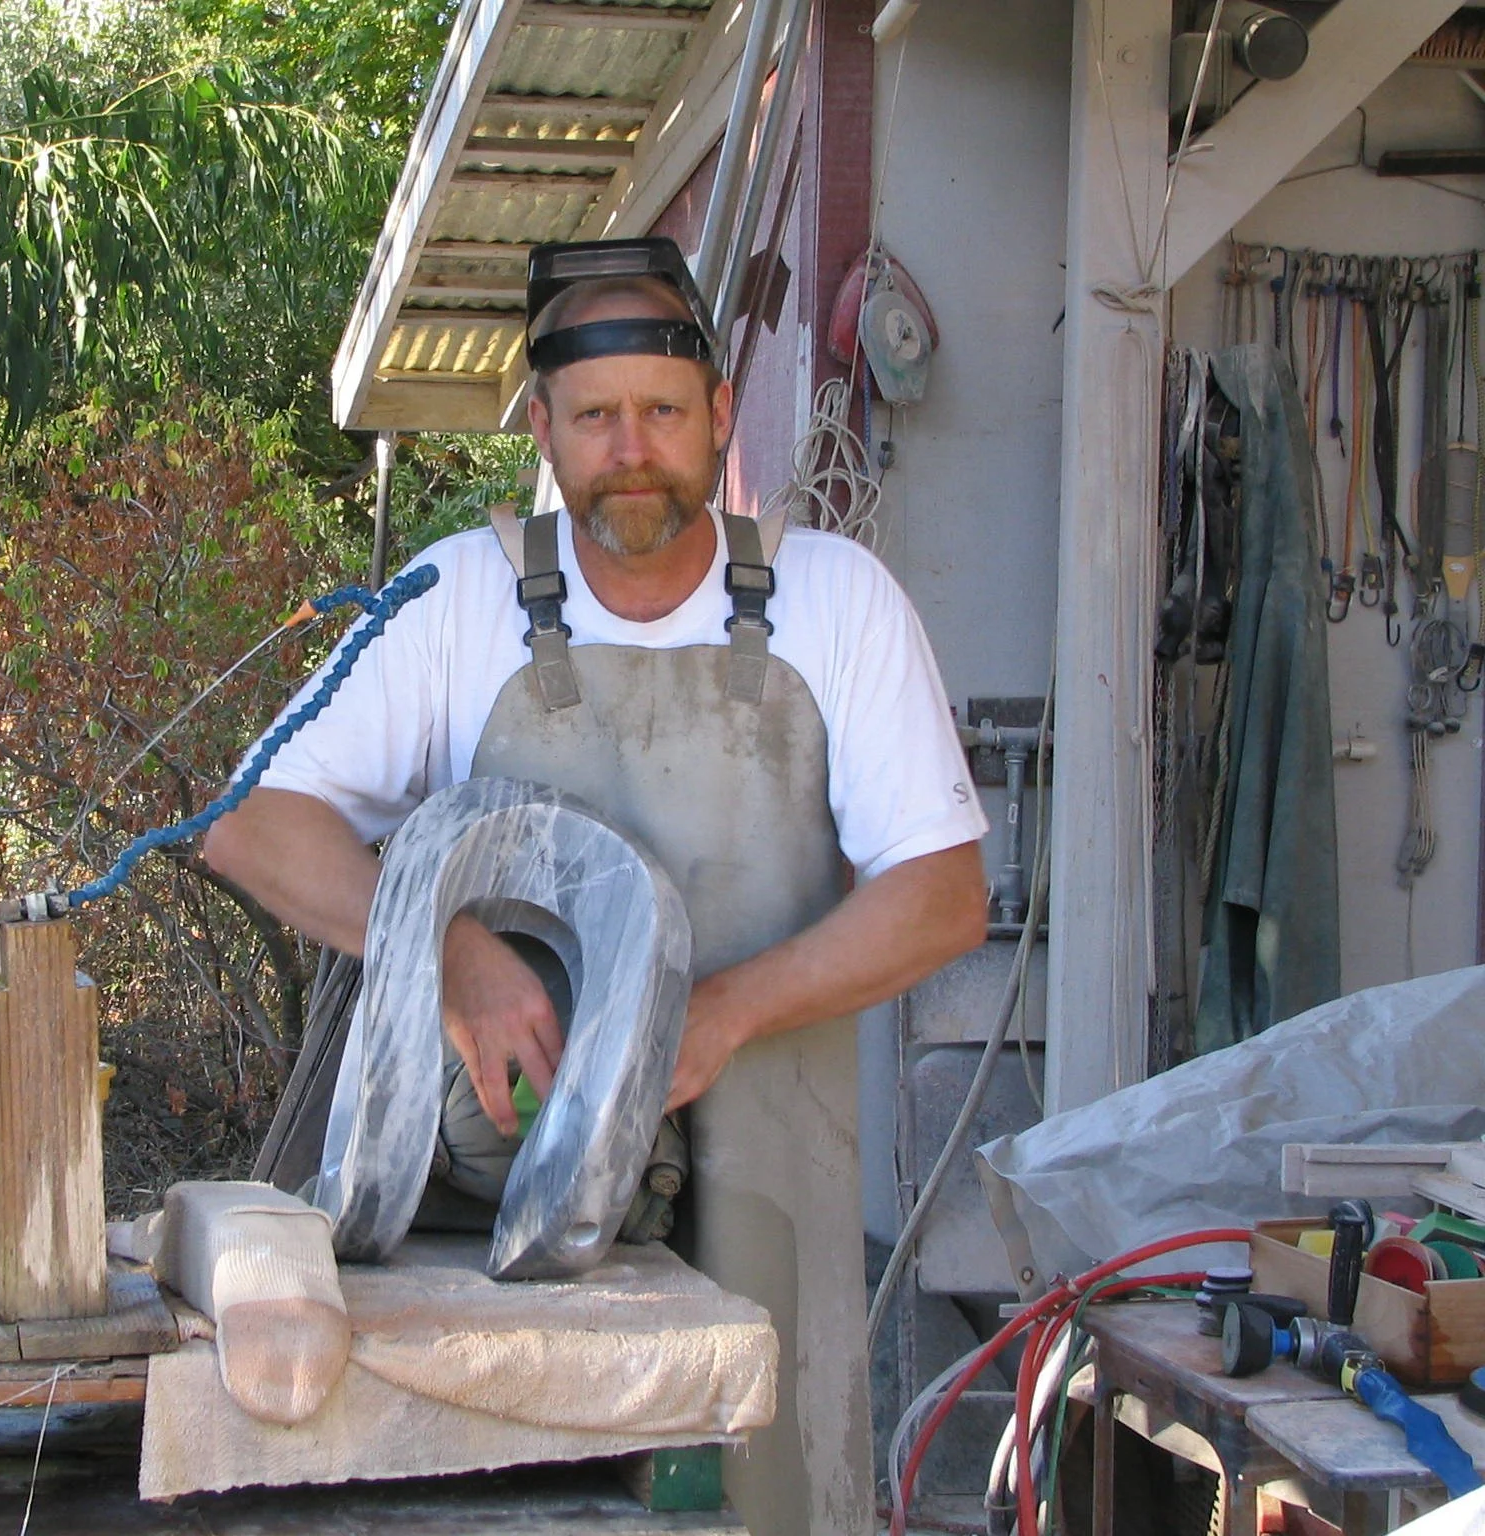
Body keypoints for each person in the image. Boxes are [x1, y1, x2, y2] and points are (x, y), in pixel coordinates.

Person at [202, 236, 988, 1535]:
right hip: (486, 1224)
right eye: (597, 416)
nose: (633, 447)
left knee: (769, 1496)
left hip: (774, 1201)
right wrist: (448, 952)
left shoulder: (836, 602)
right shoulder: (458, 598)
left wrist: (722, 1011)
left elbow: (942, 895)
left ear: (720, 417)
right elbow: (252, 823)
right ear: (544, 432)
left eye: (665, 412)